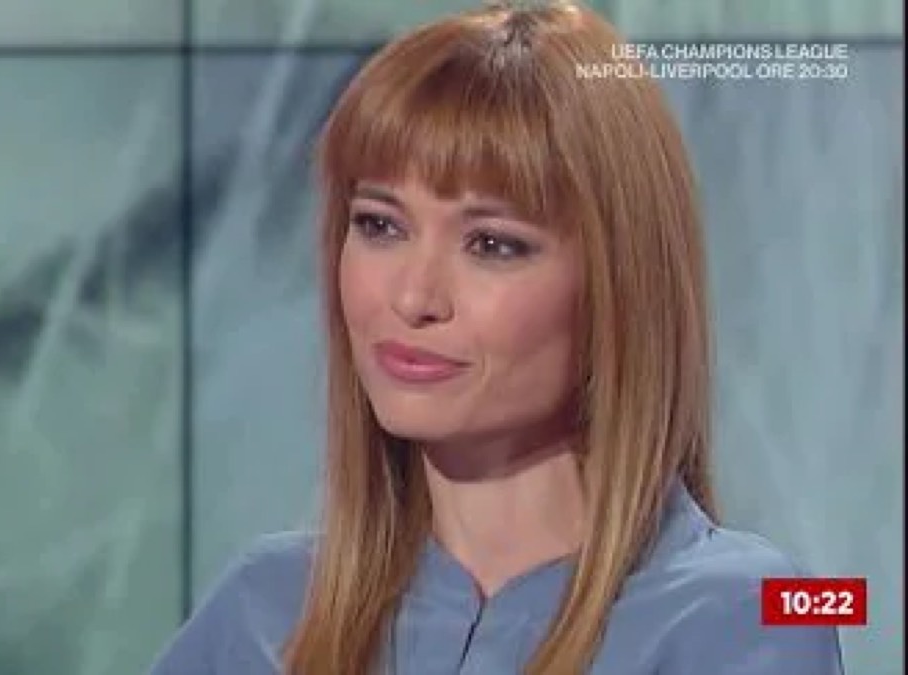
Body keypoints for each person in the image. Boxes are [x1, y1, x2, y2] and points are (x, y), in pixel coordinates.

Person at [150, 1, 846, 673]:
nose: (413, 298)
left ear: (618, 284)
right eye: (380, 225)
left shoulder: (747, 612)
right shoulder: (264, 610)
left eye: (492, 244)